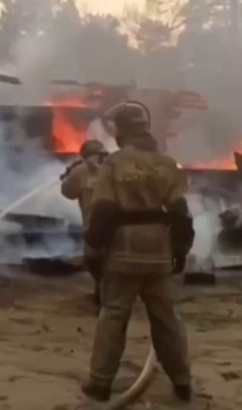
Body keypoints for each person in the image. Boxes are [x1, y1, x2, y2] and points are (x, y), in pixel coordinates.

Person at [81, 101, 195, 403]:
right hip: (159, 250)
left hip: (123, 250)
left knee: (114, 314)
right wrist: (181, 248)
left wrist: (93, 247)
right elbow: (181, 213)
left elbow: (103, 210)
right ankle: (182, 382)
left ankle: (100, 383)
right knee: (166, 317)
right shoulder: (167, 164)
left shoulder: (114, 164)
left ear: (120, 131)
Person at [60, 139, 109, 305]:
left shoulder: (80, 171)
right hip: (119, 227)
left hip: (92, 228)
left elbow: (68, 192)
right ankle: (109, 294)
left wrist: (68, 176)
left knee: (95, 262)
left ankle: (104, 296)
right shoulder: (116, 168)